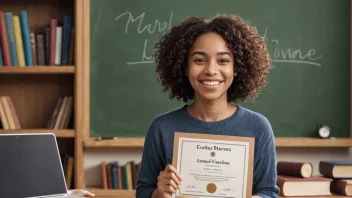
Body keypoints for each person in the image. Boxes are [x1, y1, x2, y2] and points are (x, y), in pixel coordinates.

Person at [135, 14, 279, 198]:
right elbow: (143, 192)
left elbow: (268, 192)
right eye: (199, 60)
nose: (211, 70)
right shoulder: (161, 127)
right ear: (185, 67)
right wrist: (158, 193)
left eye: (223, 60)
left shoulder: (258, 127)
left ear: (236, 68)